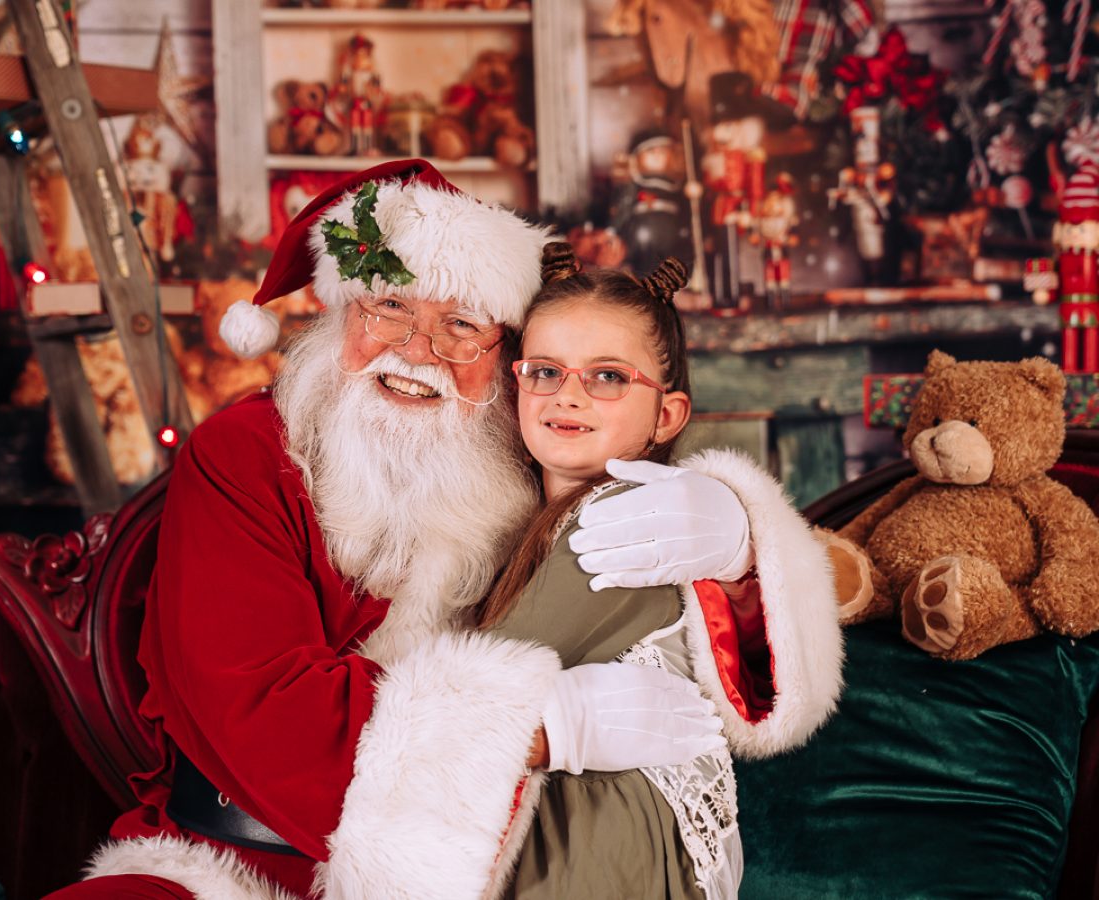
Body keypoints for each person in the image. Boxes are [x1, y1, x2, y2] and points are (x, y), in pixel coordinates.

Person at [45, 160, 827, 900]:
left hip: (493, 864)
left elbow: (703, 635)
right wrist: (535, 728)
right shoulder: (244, 455)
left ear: (504, 356)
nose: (417, 351)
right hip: (235, 865)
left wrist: (739, 533)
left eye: (461, 324)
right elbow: (263, 710)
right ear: (339, 311)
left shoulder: (525, 450)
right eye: (388, 306)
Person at [476, 243, 842, 899]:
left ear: (665, 416)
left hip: (599, 839)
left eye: (609, 377)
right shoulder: (520, 517)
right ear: (517, 383)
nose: (569, 396)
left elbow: (484, 679)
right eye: (545, 371)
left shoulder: (625, 518)